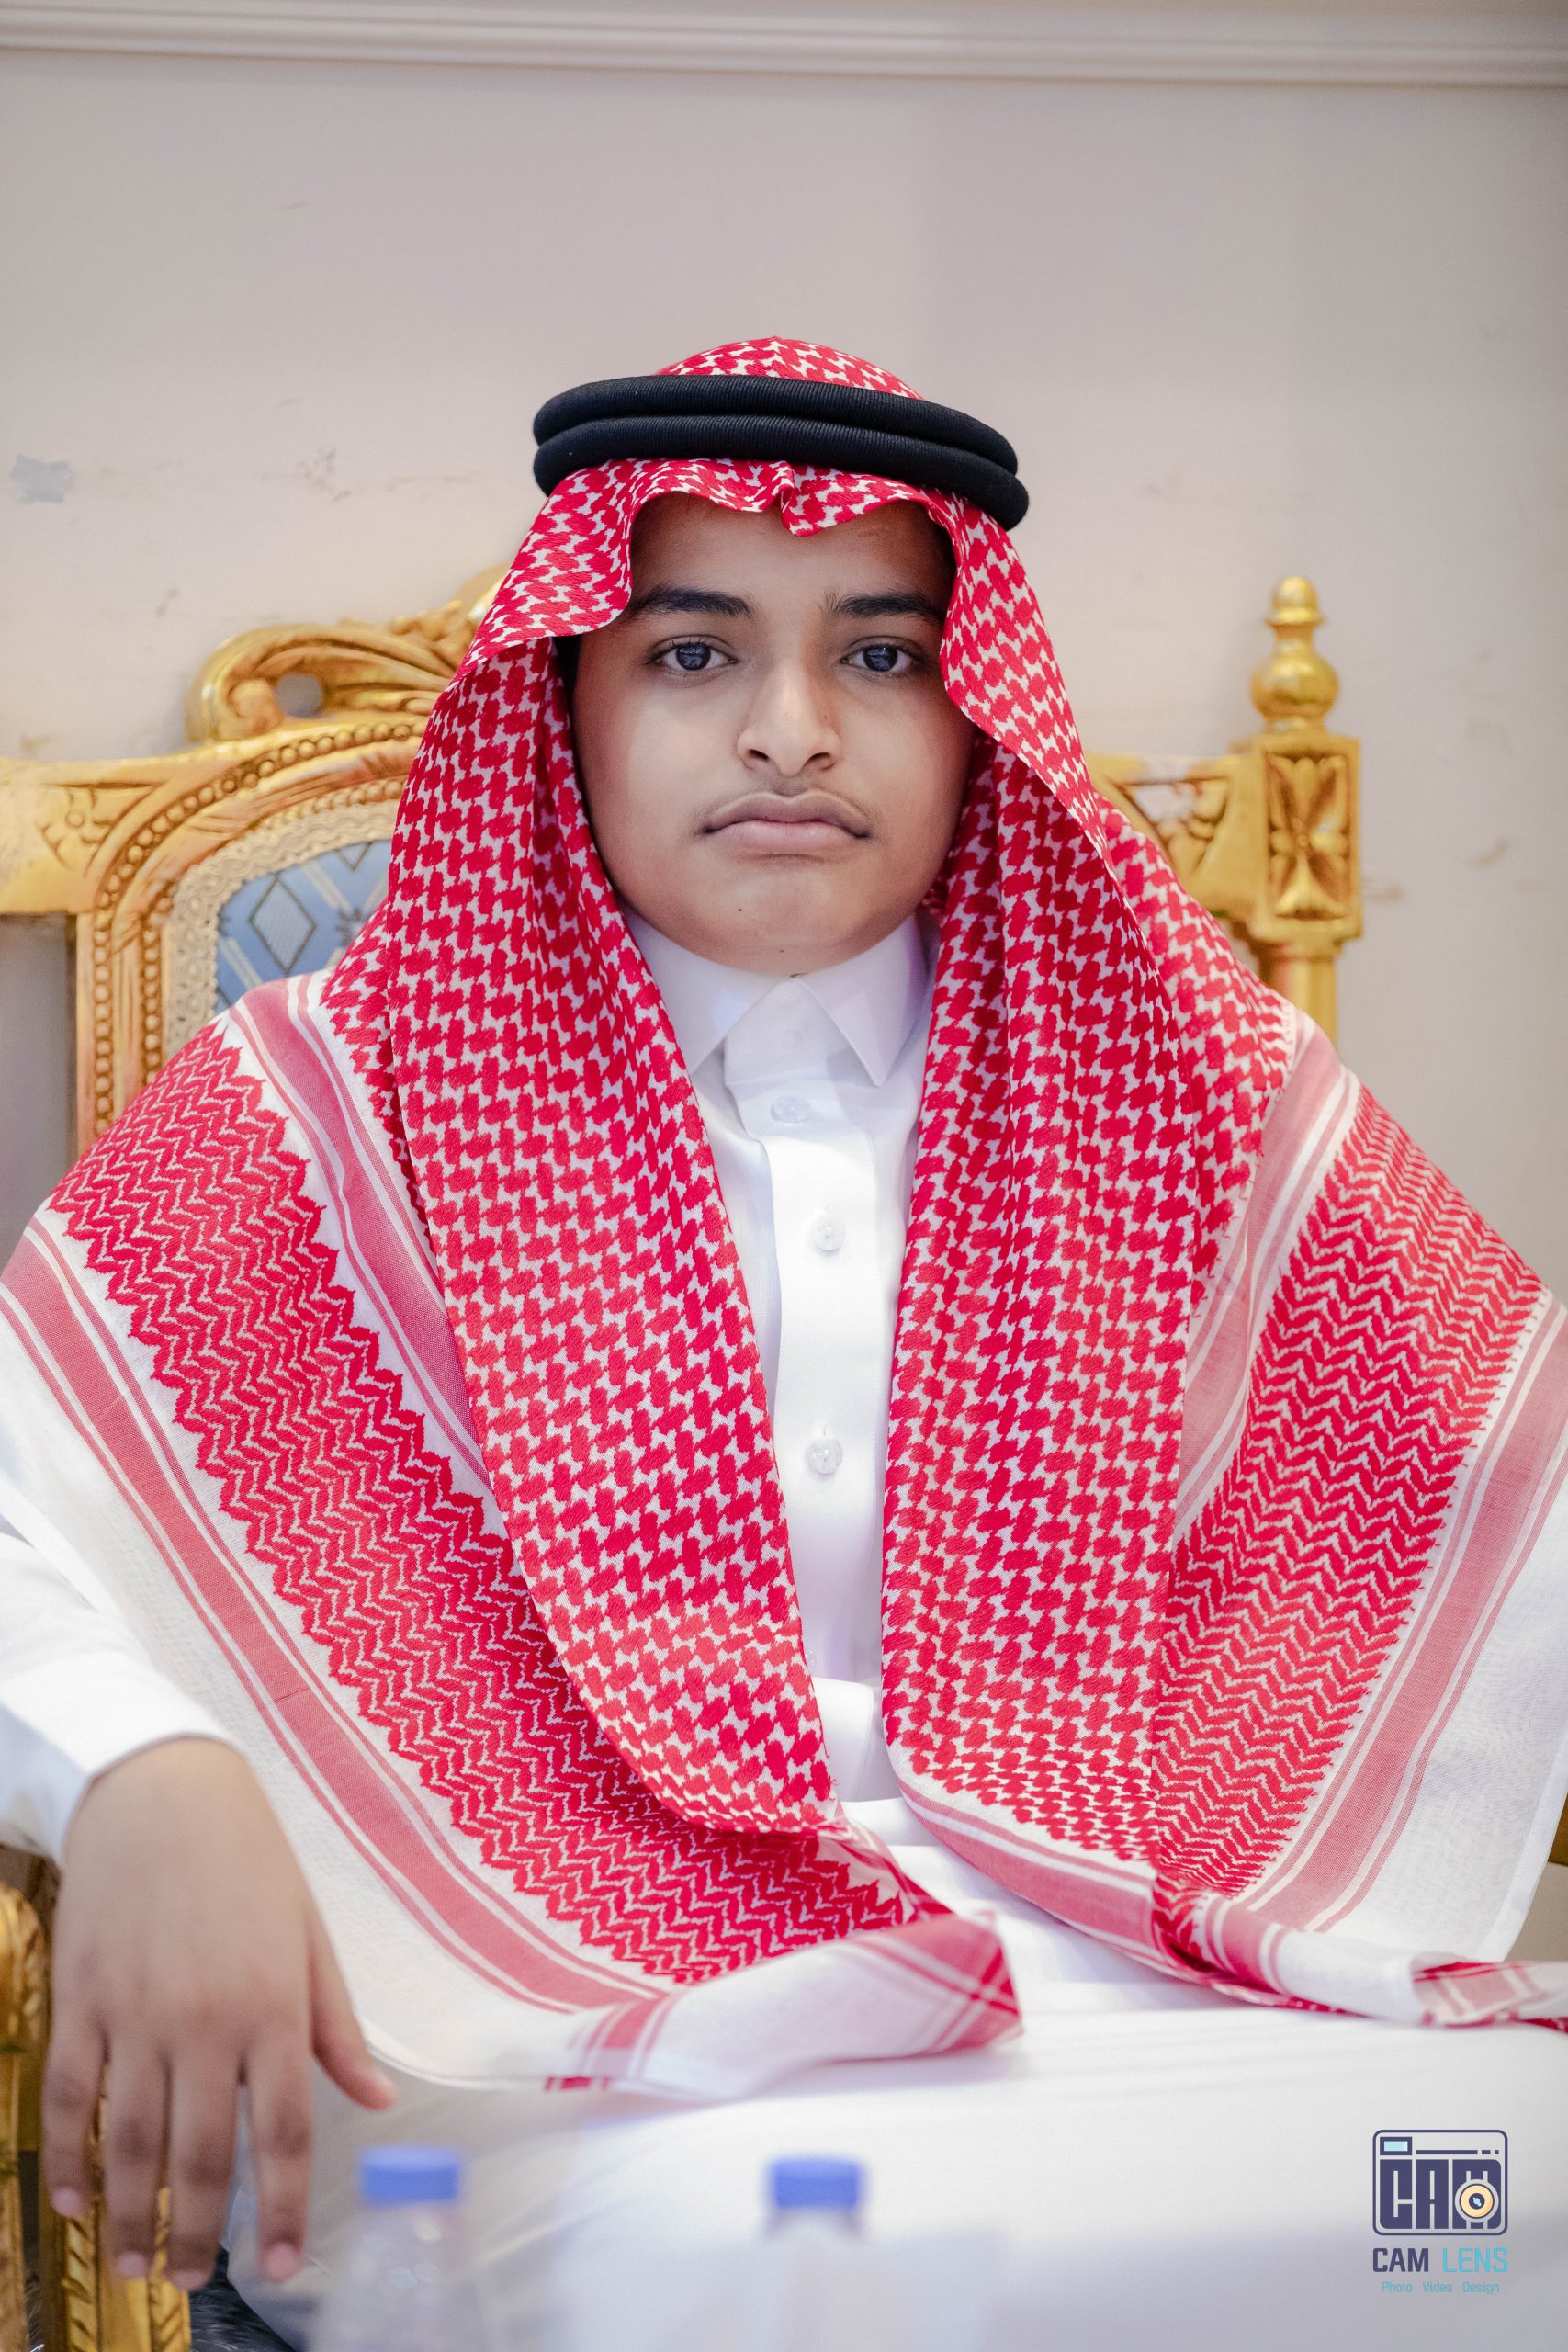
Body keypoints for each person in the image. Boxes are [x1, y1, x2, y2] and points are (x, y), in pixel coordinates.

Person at [2, 339, 1567, 2349]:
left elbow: (1508, 1488)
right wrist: (139, 1769)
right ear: (564, 697)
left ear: (974, 706)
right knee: (778, 2278)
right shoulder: (325, 1109)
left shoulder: (1189, 1081)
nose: (792, 729)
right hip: (536, 2011)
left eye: (881, 655)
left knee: (1499, 2198)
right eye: (692, 653)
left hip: (1166, 1952)